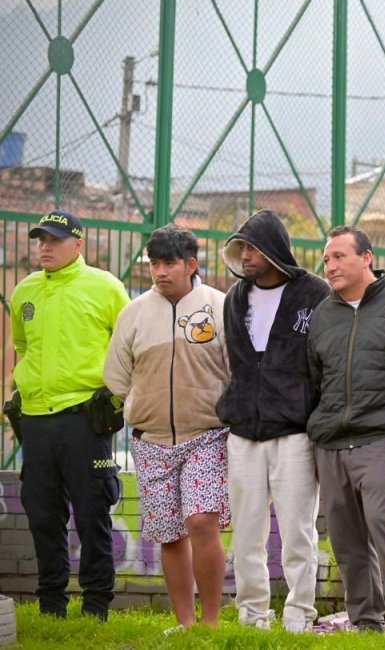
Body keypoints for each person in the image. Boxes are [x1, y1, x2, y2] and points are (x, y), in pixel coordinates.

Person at [307, 225, 385, 634]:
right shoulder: (323, 314)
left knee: (382, 519)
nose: (330, 266)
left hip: (381, 433)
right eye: (327, 259)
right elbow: (314, 381)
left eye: (339, 256)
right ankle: (366, 620)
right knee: (345, 538)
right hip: (330, 441)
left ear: (367, 257)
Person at [104, 224, 231, 631]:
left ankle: (211, 621)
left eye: (169, 263)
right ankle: (186, 623)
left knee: (201, 523)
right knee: (169, 535)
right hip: (150, 440)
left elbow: (237, 370)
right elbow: (117, 377)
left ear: (191, 265)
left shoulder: (219, 306)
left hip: (208, 435)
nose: (160, 272)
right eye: (154, 263)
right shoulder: (134, 313)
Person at [9, 210, 129, 620]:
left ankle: (96, 605)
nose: (45, 247)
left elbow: (128, 347)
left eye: (55, 240)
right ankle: (51, 604)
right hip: (37, 420)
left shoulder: (106, 288)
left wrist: (116, 397)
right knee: (43, 514)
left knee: (92, 511)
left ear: (78, 245)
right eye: (41, 239)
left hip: (86, 419)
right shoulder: (24, 292)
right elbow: (22, 348)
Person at [216, 210, 331, 632]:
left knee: (299, 532)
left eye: (252, 247)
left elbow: (325, 363)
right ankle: (252, 618)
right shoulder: (234, 297)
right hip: (244, 432)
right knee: (247, 532)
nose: (244, 256)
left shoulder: (314, 293)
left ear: (273, 251)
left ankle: (300, 615)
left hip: (296, 432)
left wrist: (316, 420)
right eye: (240, 248)